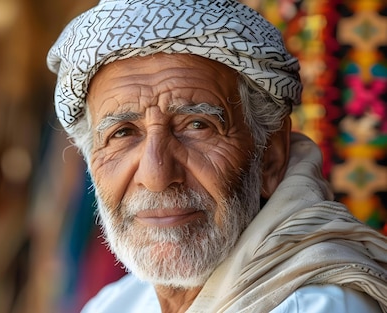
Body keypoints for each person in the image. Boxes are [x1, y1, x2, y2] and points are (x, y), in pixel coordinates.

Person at [46, 0, 387, 312]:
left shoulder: (317, 307)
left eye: (196, 125)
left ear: (271, 154)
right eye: (122, 133)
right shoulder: (116, 304)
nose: (156, 175)